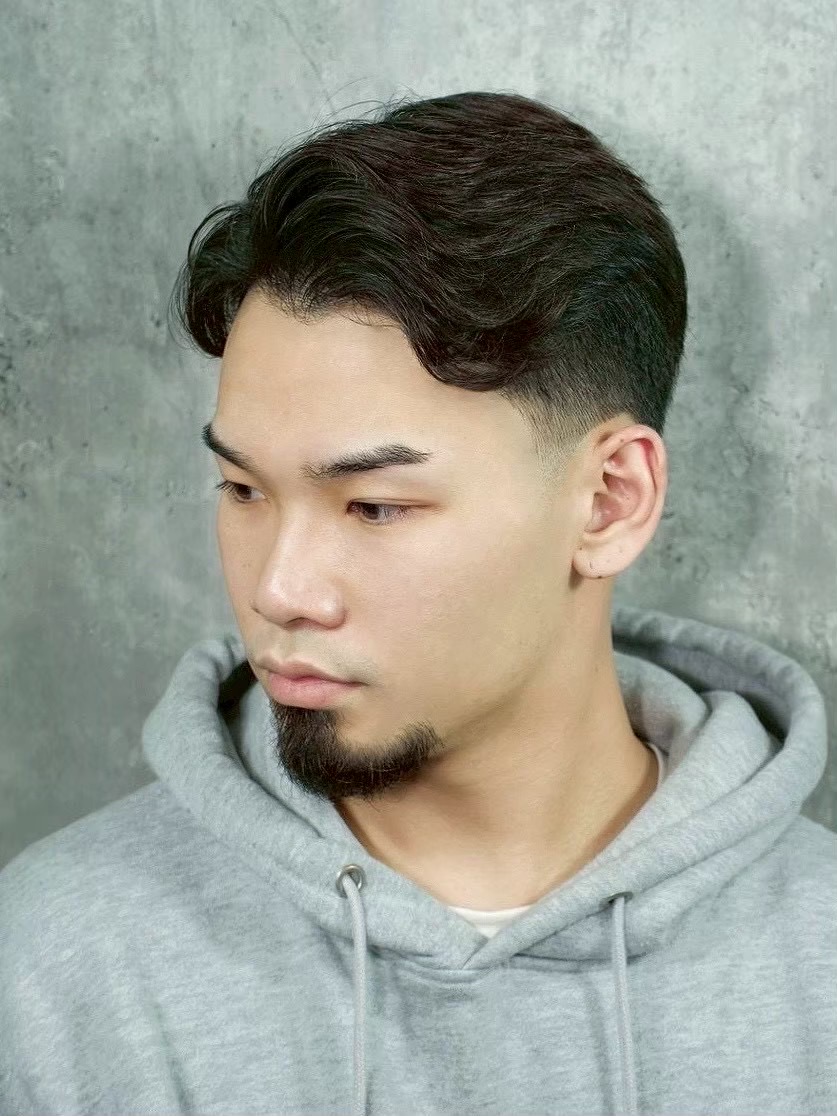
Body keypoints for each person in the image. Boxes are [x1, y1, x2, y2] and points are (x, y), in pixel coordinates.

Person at [1, 90, 834, 1116]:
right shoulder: (56, 975)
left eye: (375, 506)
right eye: (243, 489)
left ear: (610, 501)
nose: (277, 591)